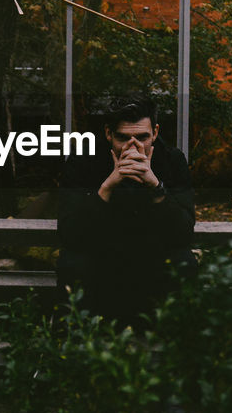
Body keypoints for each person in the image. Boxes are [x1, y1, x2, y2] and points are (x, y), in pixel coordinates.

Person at [57, 94, 196, 322]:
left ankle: (173, 340)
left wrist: (155, 186)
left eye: (142, 137)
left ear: (155, 133)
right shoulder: (83, 160)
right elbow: (69, 233)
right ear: (108, 134)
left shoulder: (171, 160)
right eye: (123, 138)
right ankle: (79, 341)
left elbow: (183, 233)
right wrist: (107, 187)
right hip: (101, 256)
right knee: (73, 262)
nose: (133, 147)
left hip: (152, 256)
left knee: (183, 261)